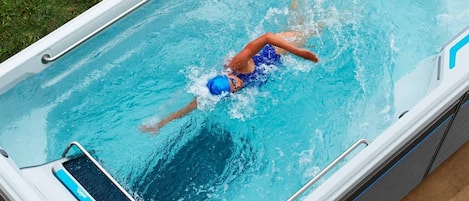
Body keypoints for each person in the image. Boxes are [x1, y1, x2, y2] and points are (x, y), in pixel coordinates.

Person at [141, 1, 320, 133]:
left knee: (314, 29)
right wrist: (160, 124)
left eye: (234, 83)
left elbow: (266, 37)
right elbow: (188, 108)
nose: (238, 86)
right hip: (276, 63)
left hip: (275, 50)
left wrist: (297, 52)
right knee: (299, 24)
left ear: (228, 76)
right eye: (235, 89)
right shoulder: (217, 92)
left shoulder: (238, 65)